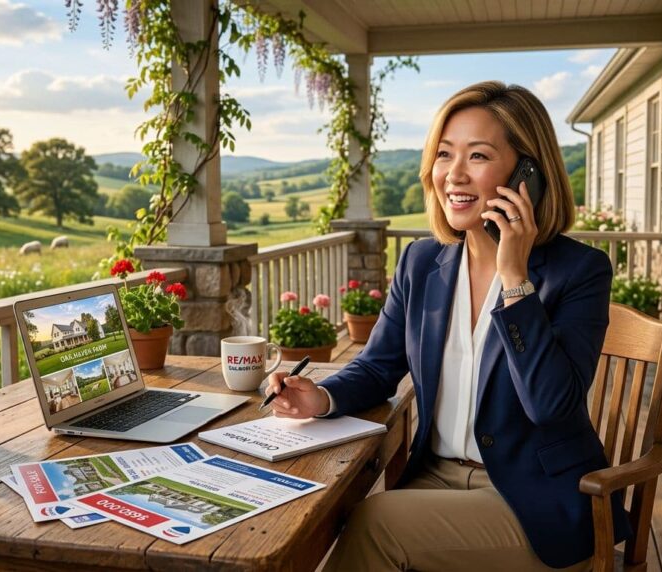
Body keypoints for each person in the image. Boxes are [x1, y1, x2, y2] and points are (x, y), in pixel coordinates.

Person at [265, 80, 630, 571]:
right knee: (331, 509)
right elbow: (377, 367)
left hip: (534, 503)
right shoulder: (421, 262)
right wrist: (322, 396)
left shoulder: (580, 272)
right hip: (432, 481)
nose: (453, 175)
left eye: (477, 156)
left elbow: (552, 407)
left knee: (376, 523)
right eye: (443, 155)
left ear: (528, 175)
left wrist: (515, 278)